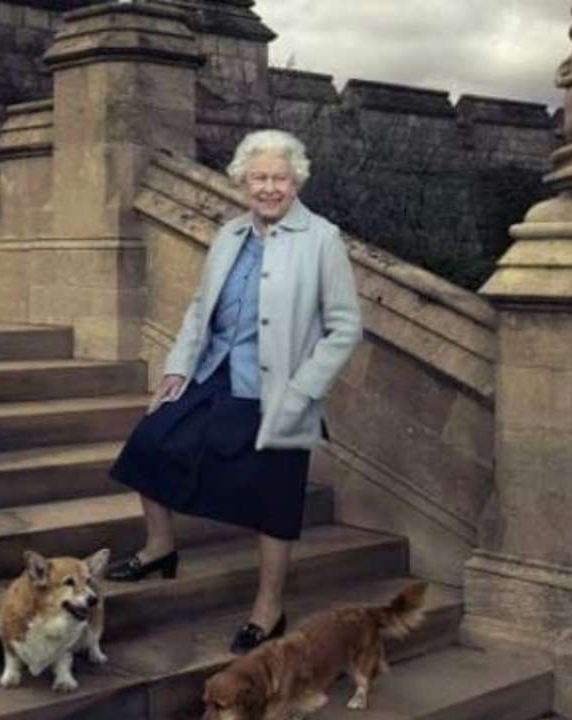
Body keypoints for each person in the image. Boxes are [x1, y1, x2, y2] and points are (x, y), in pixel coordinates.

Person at [106, 129, 363, 654]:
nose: (268, 188)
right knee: (149, 445)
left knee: (275, 499)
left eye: (279, 178)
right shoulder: (229, 235)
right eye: (259, 178)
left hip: (278, 392)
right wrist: (178, 368)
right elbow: (201, 308)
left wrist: (304, 390)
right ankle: (160, 547)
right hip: (214, 372)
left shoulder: (322, 239)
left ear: (296, 182)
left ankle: (268, 609)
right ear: (243, 181)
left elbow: (345, 327)